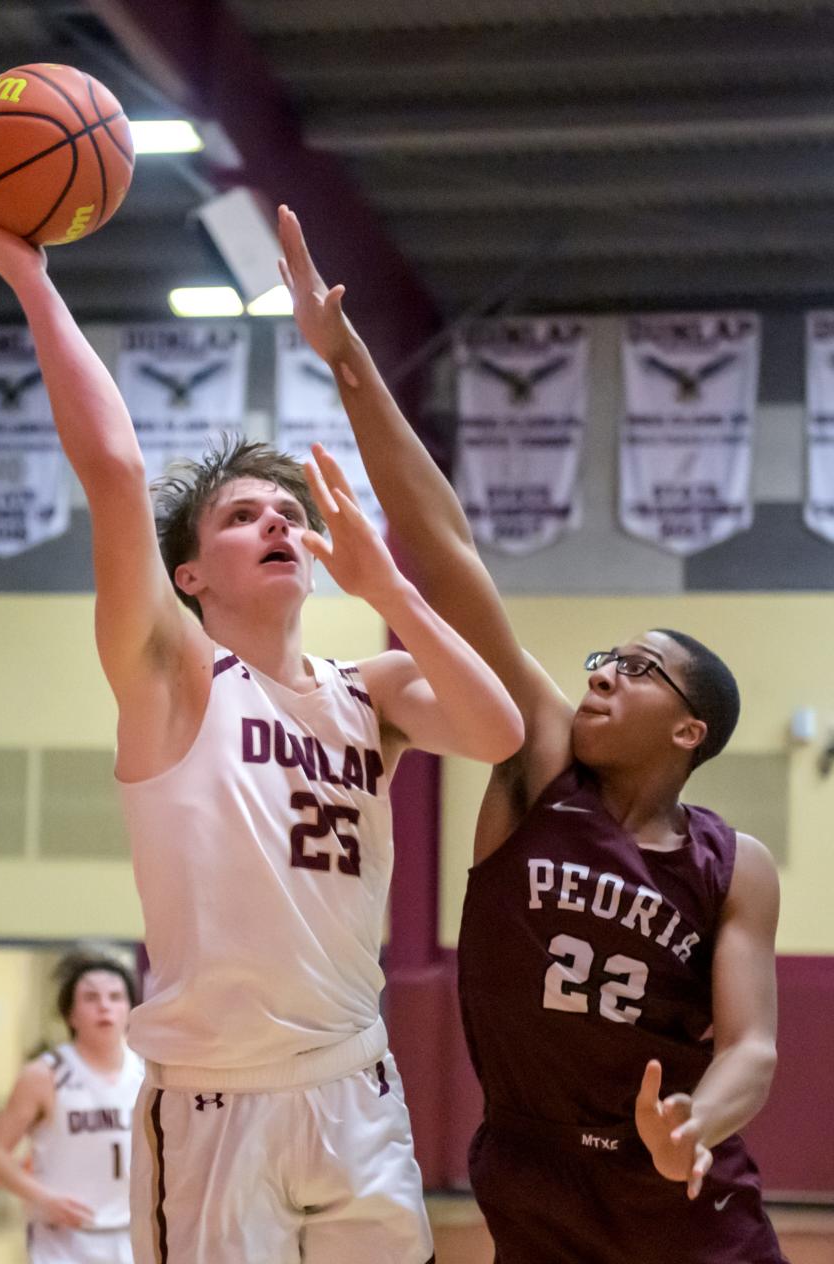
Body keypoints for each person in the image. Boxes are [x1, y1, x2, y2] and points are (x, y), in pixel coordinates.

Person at [0, 164, 524, 1264]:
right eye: (241, 514)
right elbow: (117, 472)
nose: (277, 522)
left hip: (356, 1087)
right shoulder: (175, 675)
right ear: (191, 577)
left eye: (290, 511)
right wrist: (29, 278)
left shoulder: (374, 691)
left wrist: (392, 590)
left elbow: (498, 735)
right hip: (218, 1106)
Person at [278, 204, 788, 1264]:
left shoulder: (734, 864)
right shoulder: (539, 761)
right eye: (607, 656)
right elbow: (446, 546)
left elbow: (751, 1045)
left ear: (690, 728)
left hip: (680, 1184)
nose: (604, 673)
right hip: (537, 1171)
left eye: (638, 670)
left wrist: (701, 1119)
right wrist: (350, 361)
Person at [0, 953, 143, 1264]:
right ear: (70, 1014)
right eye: (91, 997)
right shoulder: (44, 1075)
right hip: (62, 1240)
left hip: (131, 1234)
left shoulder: (149, 1075)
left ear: (130, 1010)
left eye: (115, 997)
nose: (104, 1006)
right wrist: (44, 1199)